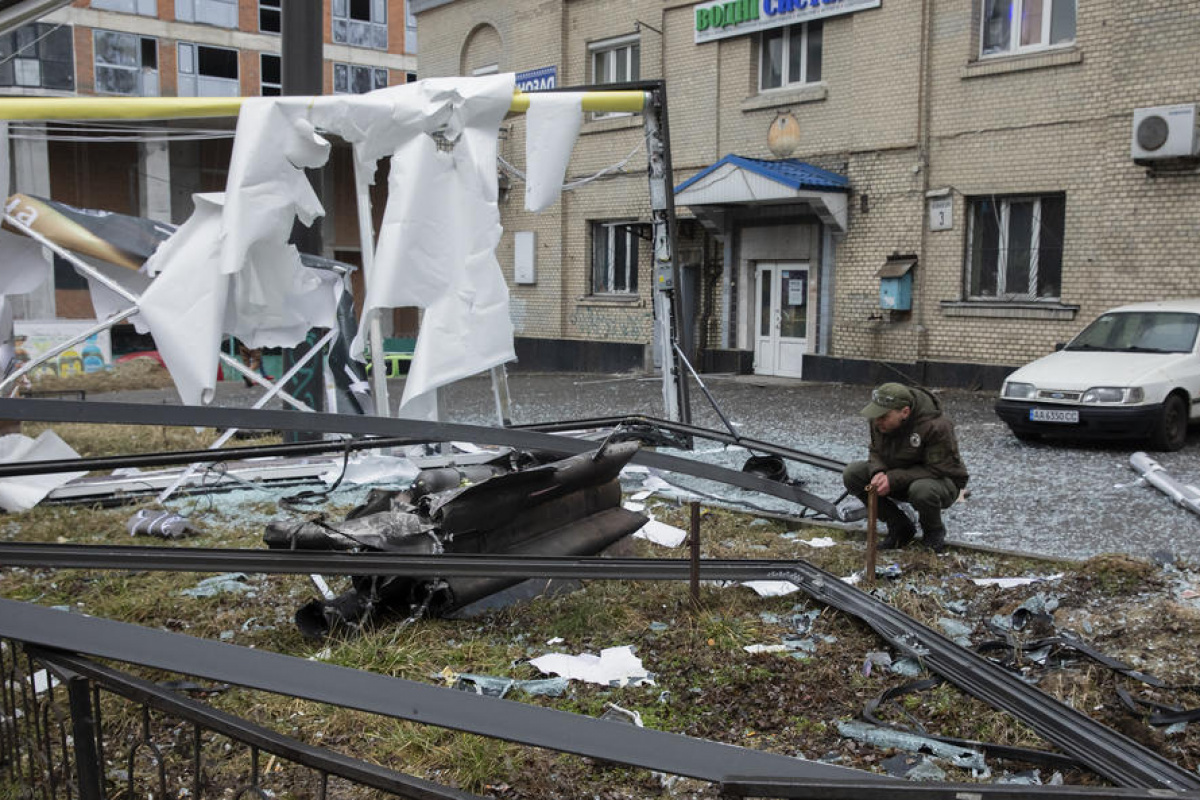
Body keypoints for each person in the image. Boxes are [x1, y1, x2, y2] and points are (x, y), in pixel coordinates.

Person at [842, 382, 969, 553]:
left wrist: (892, 479)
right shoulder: (878, 421)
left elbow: (937, 469)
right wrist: (878, 472)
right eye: (876, 415)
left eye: (884, 416)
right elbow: (875, 451)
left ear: (905, 412)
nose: (878, 421)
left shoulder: (936, 426)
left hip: (941, 482)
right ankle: (899, 527)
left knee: (922, 490)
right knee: (853, 474)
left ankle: (933, 534)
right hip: (898, 477)